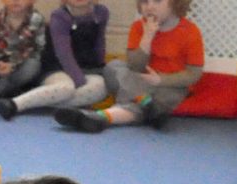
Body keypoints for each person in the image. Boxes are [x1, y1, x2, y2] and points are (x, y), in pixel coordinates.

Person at [55, 0, 203, 132]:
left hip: (169, 86)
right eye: (145, 2)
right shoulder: (138, 27)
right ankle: (146, 104)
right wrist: (147, 37)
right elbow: (134, 66)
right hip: (138, 80)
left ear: (175, 3)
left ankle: (99, 118)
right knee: (113, 66)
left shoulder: (190, 31)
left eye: (157, 1)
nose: (150, 7)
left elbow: (194, 74)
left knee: (143, 101)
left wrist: (161, 80)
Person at [0, 0, 110, 121]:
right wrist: (79, 81)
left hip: (86, 66)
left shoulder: (101, 12)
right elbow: (63, 53)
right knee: (66, 88)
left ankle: (51, 102)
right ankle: (15, 104)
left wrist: (100, 65)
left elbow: (100, 41)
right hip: (56, 66)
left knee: (100, 88)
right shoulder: (60, 16)